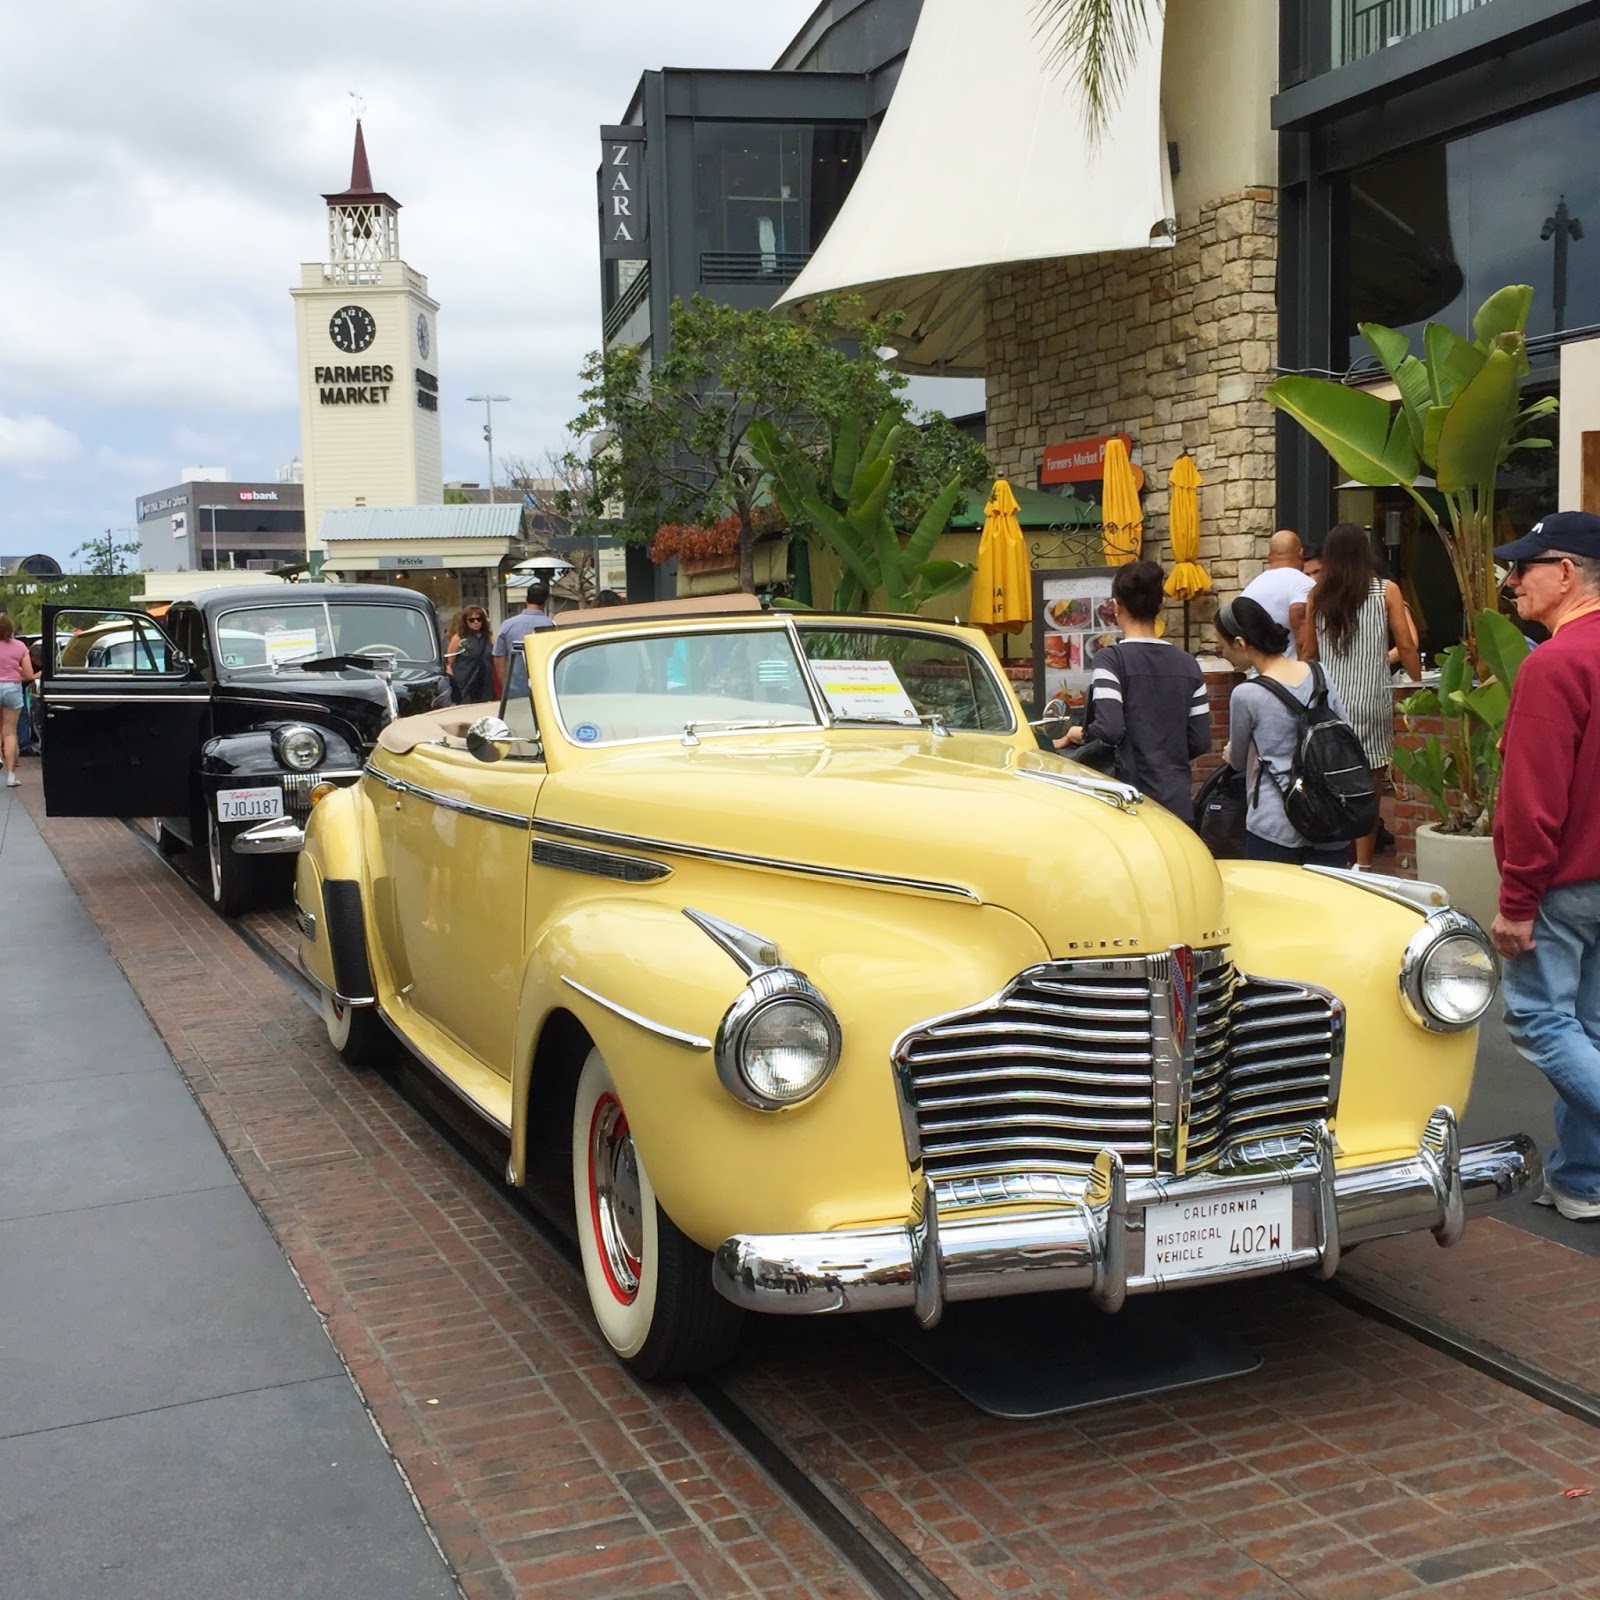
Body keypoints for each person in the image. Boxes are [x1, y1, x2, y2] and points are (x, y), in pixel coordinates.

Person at [1488, 511, 1600, 1221]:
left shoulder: (1555, 663)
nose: (1510, 582)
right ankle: (1583, 1180)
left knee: (1537, 1019)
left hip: (1565, 880)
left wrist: (1517, 898)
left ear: (1565, 574)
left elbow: (1532, 799)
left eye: (1523, 567)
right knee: (1589, 1027)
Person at [1298, 523, 1421, 866]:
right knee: (1370, 789)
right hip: (1373, 700)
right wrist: (1416, 680)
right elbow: (1407, 644)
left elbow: (1308, 653)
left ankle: (1336, 858)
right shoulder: (1387, 590)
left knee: (1334, 783)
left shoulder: (1317, 597)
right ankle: (1364, 864)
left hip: (1333, 704)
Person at [1057, 559, 1209, 820]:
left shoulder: (1111, 659)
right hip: (1176, 803)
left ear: (1116, 606)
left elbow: (1110, 729)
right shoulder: (1189, 665)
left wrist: (1077, 734)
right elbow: (1200, 741)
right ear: (1161, 605)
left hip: (1127, 802)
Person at [1216, 594, 1353, 866]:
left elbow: (1240, 761)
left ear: (1241, 643)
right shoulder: (1319, 674)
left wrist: (1229, 753)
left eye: (1222, 646)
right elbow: (1344, 729)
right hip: (1332, 818)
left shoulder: (1246, 694)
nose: (1222, 654)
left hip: (1276, 825)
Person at [1241, 530, 1316, 660]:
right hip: (1291, 675)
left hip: (1258, 676)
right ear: (1301, 553)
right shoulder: (1303, 584)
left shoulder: (1250, 590)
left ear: (1269, 556)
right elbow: (1304, 644)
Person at [492, 581, 554, 696]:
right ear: (545, 601)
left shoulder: (508, 625)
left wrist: (505, 685)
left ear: (526, 599)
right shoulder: (550, 626)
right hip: (543, 687)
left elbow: (499, 658)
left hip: (514, 687)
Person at [0, 613, 38, 787]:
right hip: (12, 689)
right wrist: (15, 671)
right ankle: (11, 777)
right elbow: (29, 674)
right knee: (10, 732)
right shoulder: (20, 646)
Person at [445, 605, 495, 704]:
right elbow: (449, 662)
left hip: (485, 683)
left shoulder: (488, 637)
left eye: (479, 619)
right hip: (465, 683)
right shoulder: (459, 637)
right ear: (466, 621)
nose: (476, 622)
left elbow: (495, 656)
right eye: (471, 620)